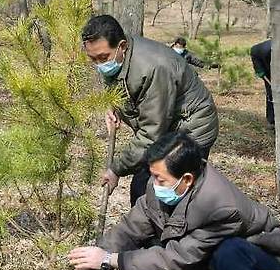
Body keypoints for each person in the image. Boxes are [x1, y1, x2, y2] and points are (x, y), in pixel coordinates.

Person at [68, 132, 280, 270]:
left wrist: (111, 260)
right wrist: (83, 268)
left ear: (187, 179)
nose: (154, 184)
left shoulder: (221, 206)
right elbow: (131, 228)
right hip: (212, 263)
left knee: (229, 251)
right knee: (152, 249)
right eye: (153, 176)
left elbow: (176, 257)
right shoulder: (161, 184)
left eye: (160, 179)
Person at [81, 15, 218, 206]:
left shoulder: (153, 67)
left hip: (192, 127)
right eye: (93, 59)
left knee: (168, 191)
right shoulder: (120, 59)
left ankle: (175, 233)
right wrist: (113, 106)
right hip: (168, 125)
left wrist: (116, 169)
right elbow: (120, 83)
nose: (99, 65)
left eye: (103, 58)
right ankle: (150, 232)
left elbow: (151, 133)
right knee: (143, 191)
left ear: (122, 46)